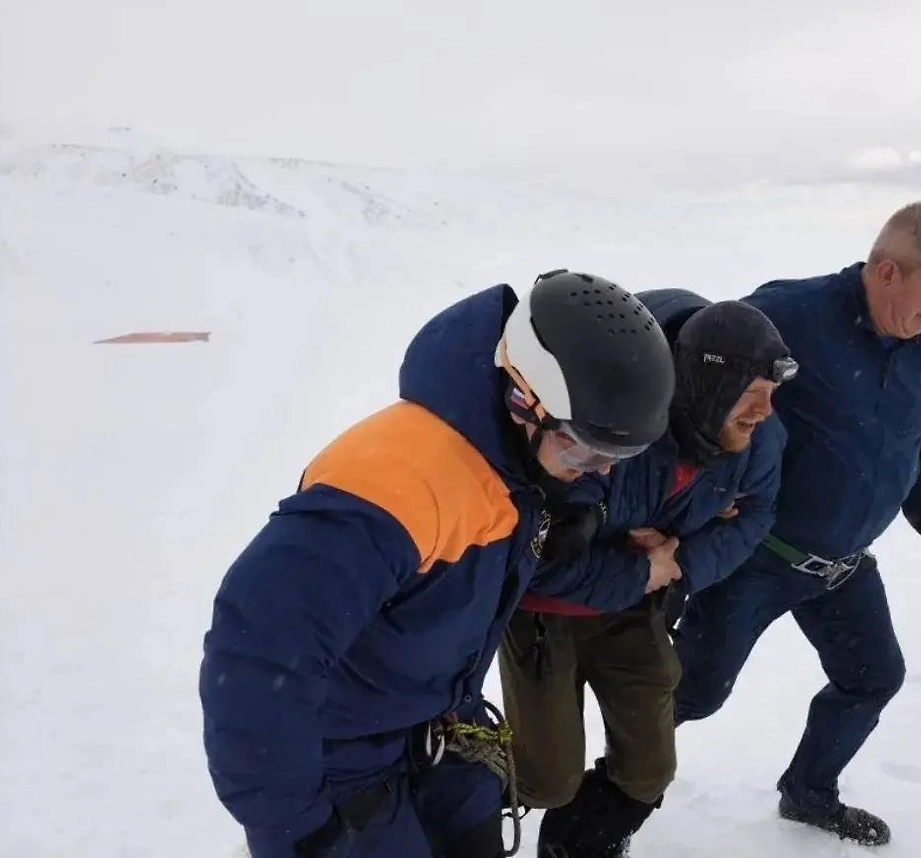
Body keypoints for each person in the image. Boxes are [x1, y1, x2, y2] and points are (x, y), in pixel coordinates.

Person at [197, 269, 677, 858]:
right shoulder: (393, 487)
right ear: (522, 400)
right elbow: (258, 650)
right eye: (584, 449)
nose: (600, 470)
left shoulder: (519, 469)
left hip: (438, 738)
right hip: (342, 766)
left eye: (618, 456)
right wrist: (296, 829)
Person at [671, 201, 921, 847]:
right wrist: (695, 490)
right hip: (756, 555)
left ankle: (809, 793)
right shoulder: (792, 315)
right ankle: (603, 786)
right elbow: (699, 376)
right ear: (889, 272)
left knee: (872, 678)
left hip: (842, 565)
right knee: (693, 694)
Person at [497, 289, 795, 858]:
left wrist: (678, 562)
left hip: (638, 607)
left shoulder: (755, 442)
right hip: (546, 617)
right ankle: (446, 786)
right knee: (544, 779)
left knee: (648, 772)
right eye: (752, 393)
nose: (765, 411)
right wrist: (639, 569)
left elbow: (759, 511)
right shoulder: (612, 420)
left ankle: (578, 844)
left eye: (771, 393)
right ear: (709, 387)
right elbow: (536, 560)